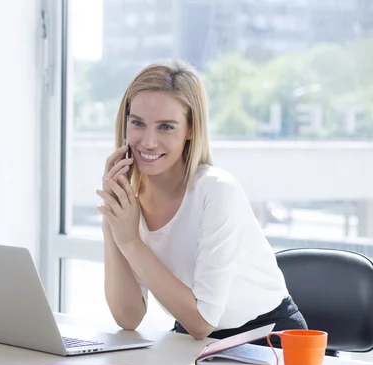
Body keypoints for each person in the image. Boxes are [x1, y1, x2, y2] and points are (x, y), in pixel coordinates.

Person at [96, 60, 307, 347]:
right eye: (138, 123)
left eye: (166, 127)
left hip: (265, 337)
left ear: (191, 130)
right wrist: (112, 220)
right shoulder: (130, 205)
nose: (148, 141)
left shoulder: (216, 191)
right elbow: (128, 317)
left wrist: (132, 241)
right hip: (192, 338)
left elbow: (202, 321)